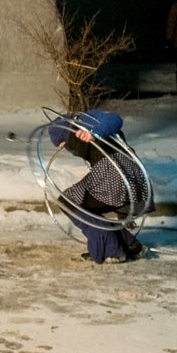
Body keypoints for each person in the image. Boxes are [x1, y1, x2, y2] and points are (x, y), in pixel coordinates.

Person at [48, 110, 153, 264]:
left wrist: (94, 133)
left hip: (115, 174)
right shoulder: (85, 123)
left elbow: (115, 119)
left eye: (65, 144)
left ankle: (111, 250)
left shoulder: (89, 121)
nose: (68, 149)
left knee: (69, 201)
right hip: (129, 172)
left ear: (68, 133)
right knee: (83, 206)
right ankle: (129, 244)